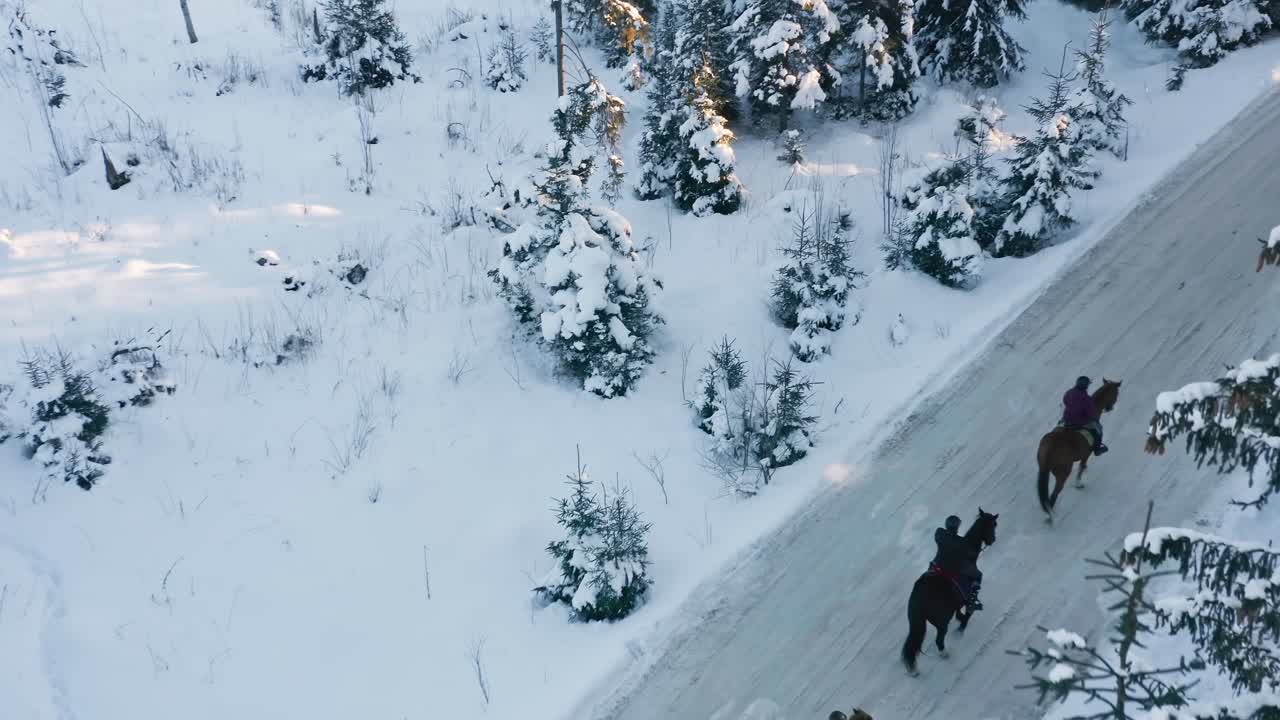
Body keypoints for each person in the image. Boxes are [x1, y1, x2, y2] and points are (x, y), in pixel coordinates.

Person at [929, 515, 983, 612]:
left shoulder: (940, 533)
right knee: (977, 575)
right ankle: (972, 601)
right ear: (957, 527)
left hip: (936, 566)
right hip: (951, 570)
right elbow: (969, 554)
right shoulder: (961, 542)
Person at [1061, 376, 1108, 455]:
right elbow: (1090, 414)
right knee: (1099, 429)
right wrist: (1095, 419)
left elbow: (1065, 401)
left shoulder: (1069, 392)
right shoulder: (1086, 398)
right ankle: (1097, 449)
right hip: (1079, 422)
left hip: (1066, 419)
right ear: (1086, 386)